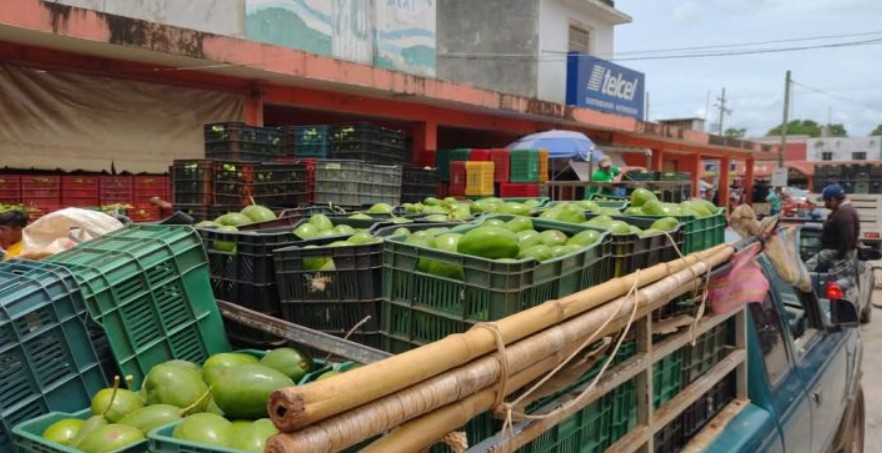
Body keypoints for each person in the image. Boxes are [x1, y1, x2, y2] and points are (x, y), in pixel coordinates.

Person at [805, 184, 860, 272]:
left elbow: (847, 238)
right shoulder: (842, 211)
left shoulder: (844, 213)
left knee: (806, 268)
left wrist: (840, 257)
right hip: (834, 251)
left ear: (833, 199)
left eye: (826, 201)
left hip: (833, 252)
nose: (825, 204)